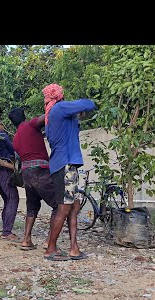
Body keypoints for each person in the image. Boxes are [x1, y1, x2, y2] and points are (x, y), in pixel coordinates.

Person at [43, 83, 96, 261]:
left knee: (73, 205)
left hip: (63, 164)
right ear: (59, 96)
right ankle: (51, 248)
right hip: (65, 164)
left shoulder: (51, 116)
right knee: (65, 207)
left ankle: (74, 248)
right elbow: (89, 104)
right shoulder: (61, 108)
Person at [10, 108, 59, 254]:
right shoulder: (30, 125)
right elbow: (46, 117)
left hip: (27, 174)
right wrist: (55, 105)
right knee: (59, 205)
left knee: (32, 208)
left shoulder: (16, 138)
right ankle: (49, 241)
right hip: (40, 171)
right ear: (24, 116)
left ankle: (26, 239)